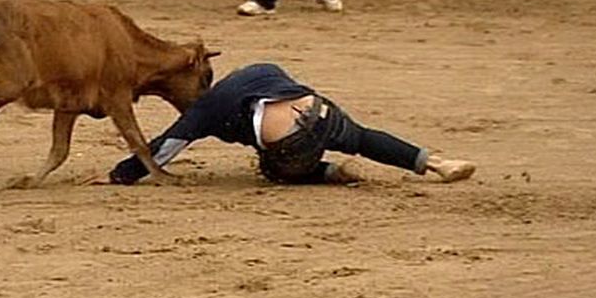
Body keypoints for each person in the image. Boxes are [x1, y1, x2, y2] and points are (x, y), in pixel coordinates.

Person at [109, 63, 476, 186]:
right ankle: (438, 164)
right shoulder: (258, 70)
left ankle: (329, 172)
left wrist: (120, 174)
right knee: (362, 137)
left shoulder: (202, 111)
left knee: (270, 168)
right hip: (321, 110)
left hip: (289, 145)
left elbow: (166, 147)